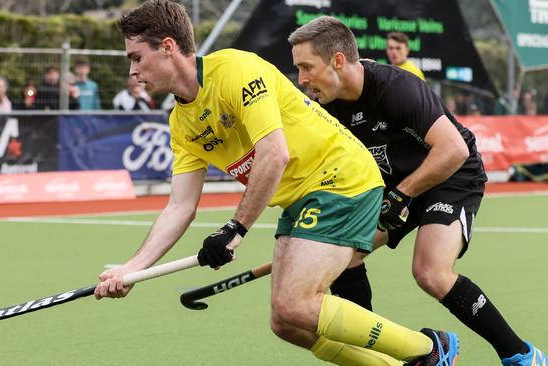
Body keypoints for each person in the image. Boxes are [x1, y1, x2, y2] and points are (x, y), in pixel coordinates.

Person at [95, 2, 459, 366]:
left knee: (295, 304)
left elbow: (274, 154)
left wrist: (234, 230)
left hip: (341, 178)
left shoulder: (235, 69)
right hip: (302, 200)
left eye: (137, 58)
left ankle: (429, 350)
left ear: (168, 47)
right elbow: (179, 206)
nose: (133, 71)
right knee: (286, 322)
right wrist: (132, 269)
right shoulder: (181, 124)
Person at [288, 15, 547, 366]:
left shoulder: (395, 86)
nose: (302, 80)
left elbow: (453, 149)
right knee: (343, 259)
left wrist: (401, 195)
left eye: (307, 67)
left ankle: (521, 355)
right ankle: (379, 357)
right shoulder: (325, 108)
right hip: (397, 184)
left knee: (430, 272)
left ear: (337, 60)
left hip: (451, 173)